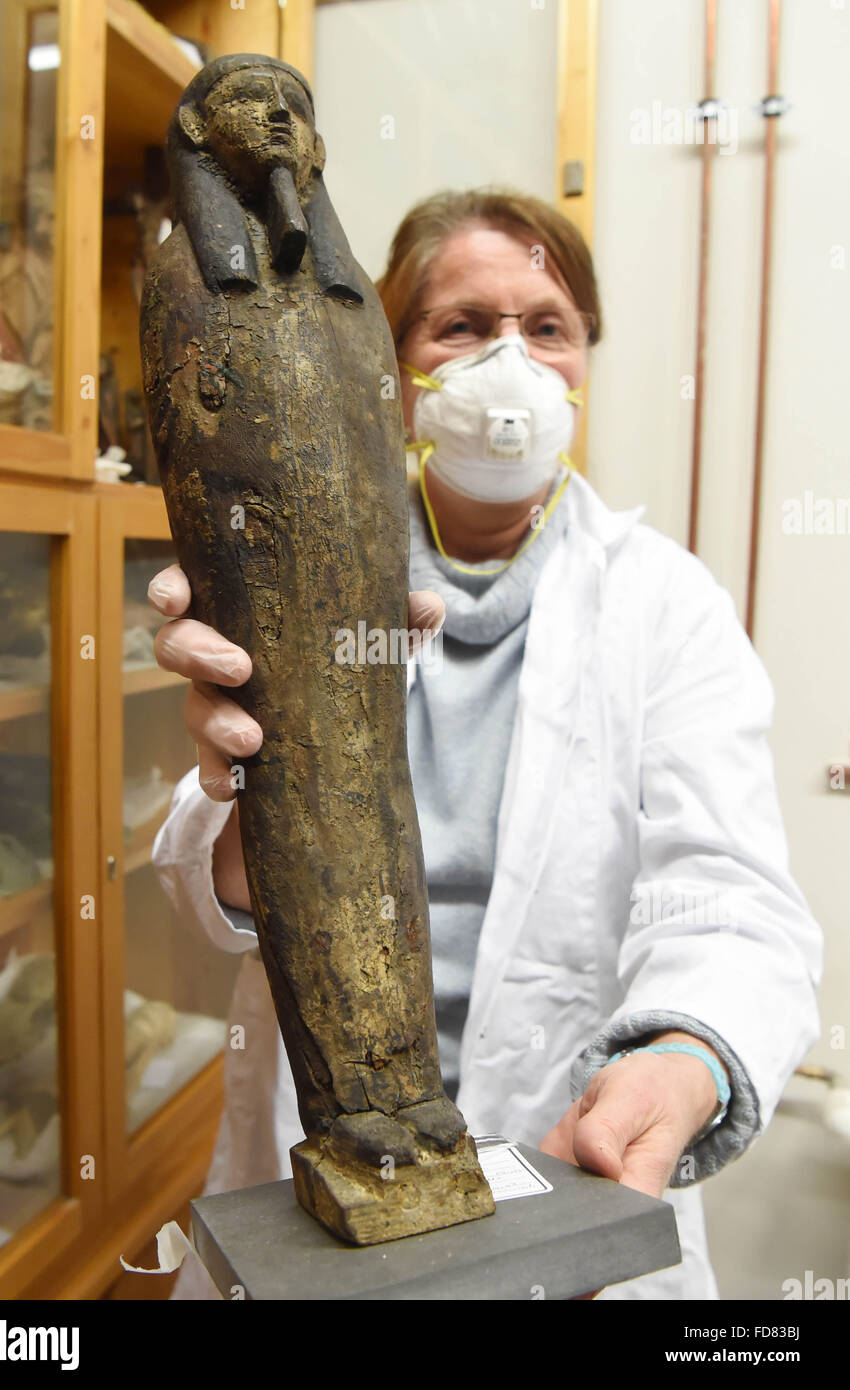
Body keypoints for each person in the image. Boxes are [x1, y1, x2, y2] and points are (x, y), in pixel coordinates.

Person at [149, 188, 822, 1300]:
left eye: (547, 327)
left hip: (565, 1147)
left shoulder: (666, 606)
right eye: (461, 325)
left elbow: (734, 899)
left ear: (584, 362)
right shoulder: (293, 572)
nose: (511, 362)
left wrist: (684, 1056)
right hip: (327, 1147)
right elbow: (209, 904)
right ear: (390, 357)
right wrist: (238, 791)